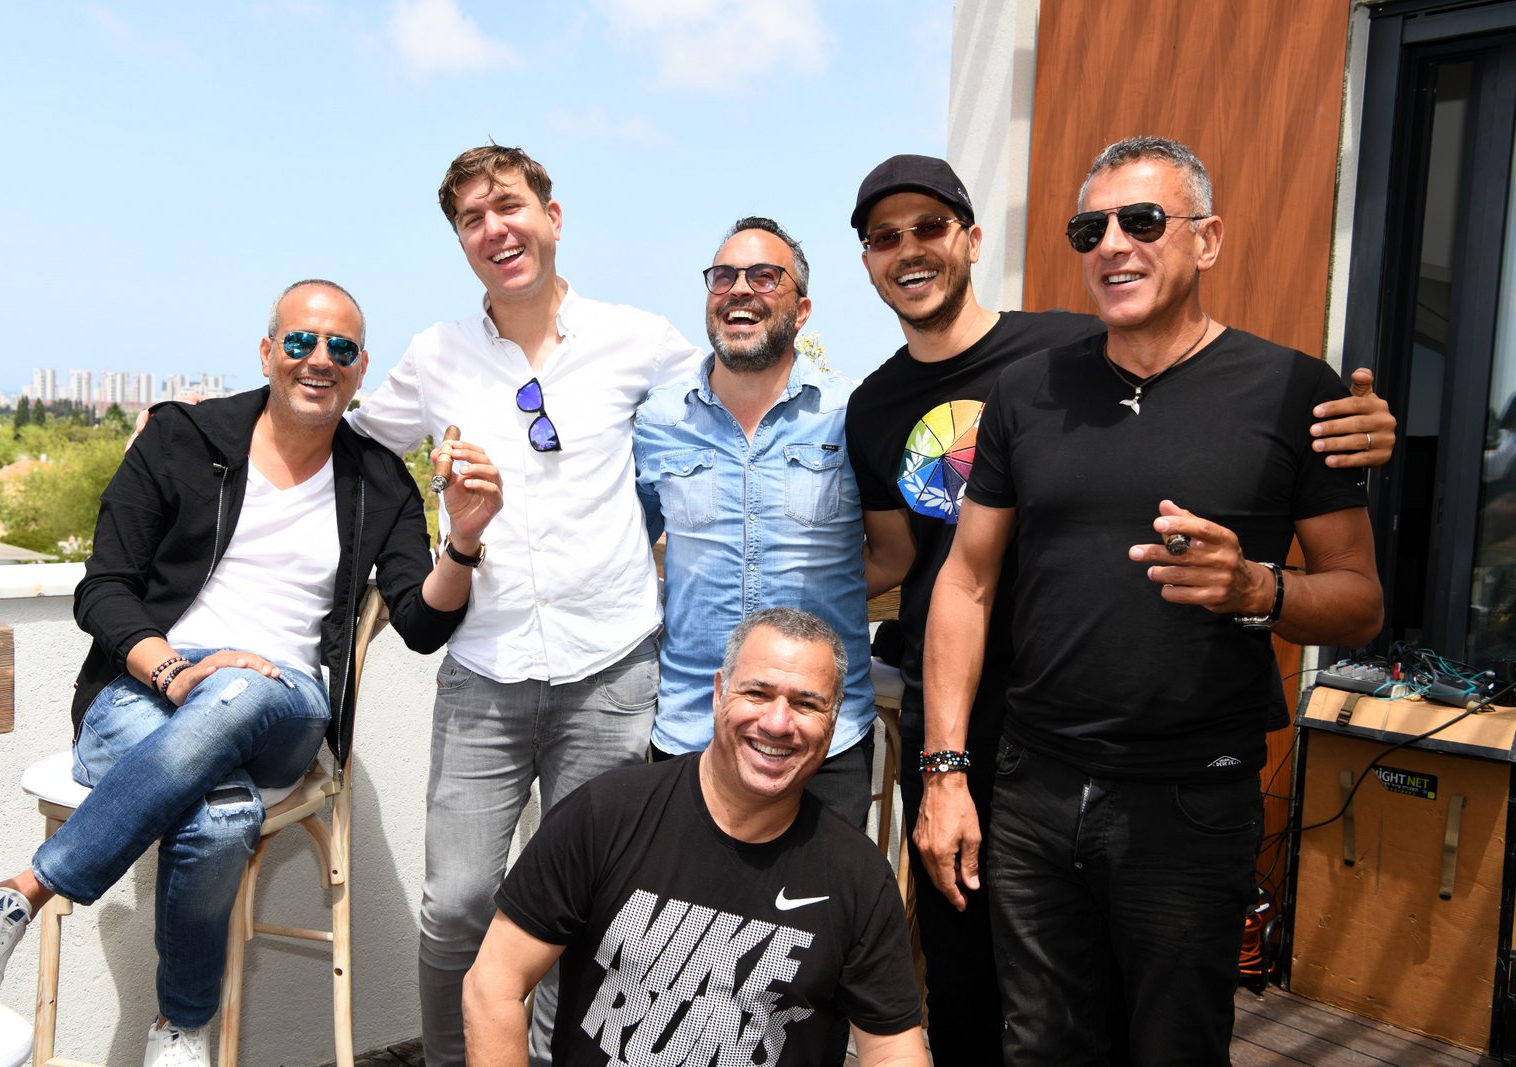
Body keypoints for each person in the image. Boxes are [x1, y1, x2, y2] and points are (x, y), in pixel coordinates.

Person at [842, 153, 1398, 1064]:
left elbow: (1361, 601)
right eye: (1089, 229)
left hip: (1191, 793)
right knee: (1034, 1041)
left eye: (1142, 222)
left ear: (1207, 240)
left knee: (1172, 1043)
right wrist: (944, 770)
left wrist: (1259, 588)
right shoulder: (1024, 391)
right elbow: (957, 578)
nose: (1112, 245)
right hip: (1032, 781)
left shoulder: (1294, 391)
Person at [0, 279, 501, 1067]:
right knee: (221, 814)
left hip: (285, 702)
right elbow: (103, 588)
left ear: (360, 369)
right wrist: (175, 672)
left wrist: (465, 541)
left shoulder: (378, 480)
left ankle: (26, 891)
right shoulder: (183, 437)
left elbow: (422, 624)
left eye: (341, 348)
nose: (320, 359)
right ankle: (180, 1031)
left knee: (243, 688)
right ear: (267, 350)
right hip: (145, 689)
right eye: (301, 341)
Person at [345, 143, 702, 1067]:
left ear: (552, 216)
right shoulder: (437, 355)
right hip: (486, 670)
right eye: (472, 218)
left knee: (587, 903)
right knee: (457, 904)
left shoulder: (637, 339)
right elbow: (350, 439)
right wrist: (210, 424)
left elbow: (729, 400)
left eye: (508, 205)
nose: (494, 228)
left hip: (613, 670)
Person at [462, 607, 929, 1067]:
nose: (777, 723)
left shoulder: (857, 875)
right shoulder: (605, 815)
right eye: (757, 693)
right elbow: (493, 984)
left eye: (806, 704)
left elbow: (893, 1050)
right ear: (719, 692)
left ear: (834, 718)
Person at [634, 216, 875, 830]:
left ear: (802, 309)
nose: (739, 288)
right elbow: (626, 548)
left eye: (765, 276)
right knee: (681, 896)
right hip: (692, 726)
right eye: (723, 276)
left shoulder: (851, 414)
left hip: (823, 737)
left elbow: (894, 553)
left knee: (824, 896)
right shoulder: (658, 421)